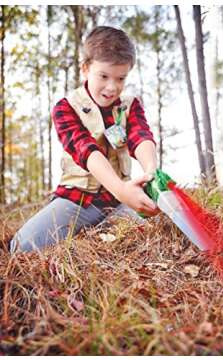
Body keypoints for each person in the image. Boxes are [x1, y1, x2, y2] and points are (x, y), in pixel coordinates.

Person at [10, 26, 159, 253]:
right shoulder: (65, 107)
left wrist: (150, 172)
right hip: (76, 199)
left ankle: (100, 233)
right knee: (23, 246)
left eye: (121, 78)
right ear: (86, 69)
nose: (112, 87)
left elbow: (141, 136)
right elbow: (86, 150)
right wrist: (121, 190)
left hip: (119, 203)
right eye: (104, 76)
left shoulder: (130, 105)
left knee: (148, 238)